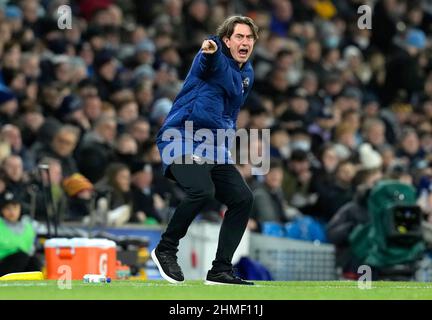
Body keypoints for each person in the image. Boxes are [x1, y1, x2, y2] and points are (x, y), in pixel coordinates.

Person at [152, 16, 259, 285]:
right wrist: (209, 51)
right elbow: (207, 60)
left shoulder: (247, 73)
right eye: (239, 37)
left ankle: (220, 270)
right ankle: (165, 249)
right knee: (202, 191)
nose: (244, 42)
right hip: (181, 137)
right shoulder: (213, 55)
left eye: (249, 38)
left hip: (215, 146)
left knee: (242, 198)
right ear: (226, 40)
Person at [0, 190, 41, 276]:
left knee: (34, 261)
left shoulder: (29, 225)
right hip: (2, 264)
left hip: (22, 263)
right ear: (2, 210)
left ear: (20, 208)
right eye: (7, 208)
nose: (11, 212)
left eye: (14, 207)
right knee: (21, 256)